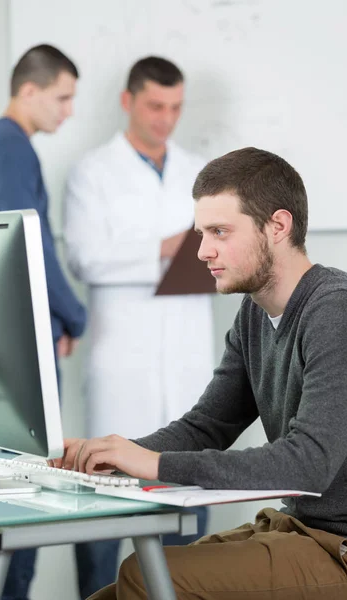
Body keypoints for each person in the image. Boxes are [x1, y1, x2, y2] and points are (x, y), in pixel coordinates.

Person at [59, 147, 347, 599]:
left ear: (278, 227)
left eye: (219, 232)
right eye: (200, 233)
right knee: (106, 597)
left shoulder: (339, 309)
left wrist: (155, 465)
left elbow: (309, 464)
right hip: (302, 531)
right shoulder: (253, 314)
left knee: (145, 577)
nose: (202, 250)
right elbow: (207, 426)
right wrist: (115, 455)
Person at [63, 56, 214, 585]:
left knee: (189, 522)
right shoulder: (93, 171)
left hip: (187, 362)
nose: (165, 119)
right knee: (104, 508)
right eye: (155, 106)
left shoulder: (202, 171)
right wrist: (163, 248)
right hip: (122, 363)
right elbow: (84, 257)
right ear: (128, 102)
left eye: (175, 107)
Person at [0, 45, 91, 600]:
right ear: (28, 90)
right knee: (24, 499)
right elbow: (31, 242)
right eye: (62, 97)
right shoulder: (11, 147)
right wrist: (73, 314)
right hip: (19, 352)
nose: (68, 111)